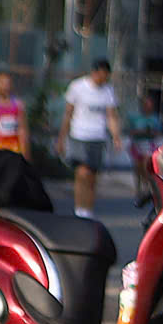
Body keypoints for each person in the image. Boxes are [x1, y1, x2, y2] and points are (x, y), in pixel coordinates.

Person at [56, 59, 120, 219]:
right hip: (79, 134)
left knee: (92, 175)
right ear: (94, 72)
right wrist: (61, 138)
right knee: (82, 173)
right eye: (101, 75)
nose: (103, 79)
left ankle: (88, 211)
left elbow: (111, 116)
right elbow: (68, 114)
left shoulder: (108, 91)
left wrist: (116, 136)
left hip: (97, 136)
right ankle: (79, 209)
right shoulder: (77, 87)